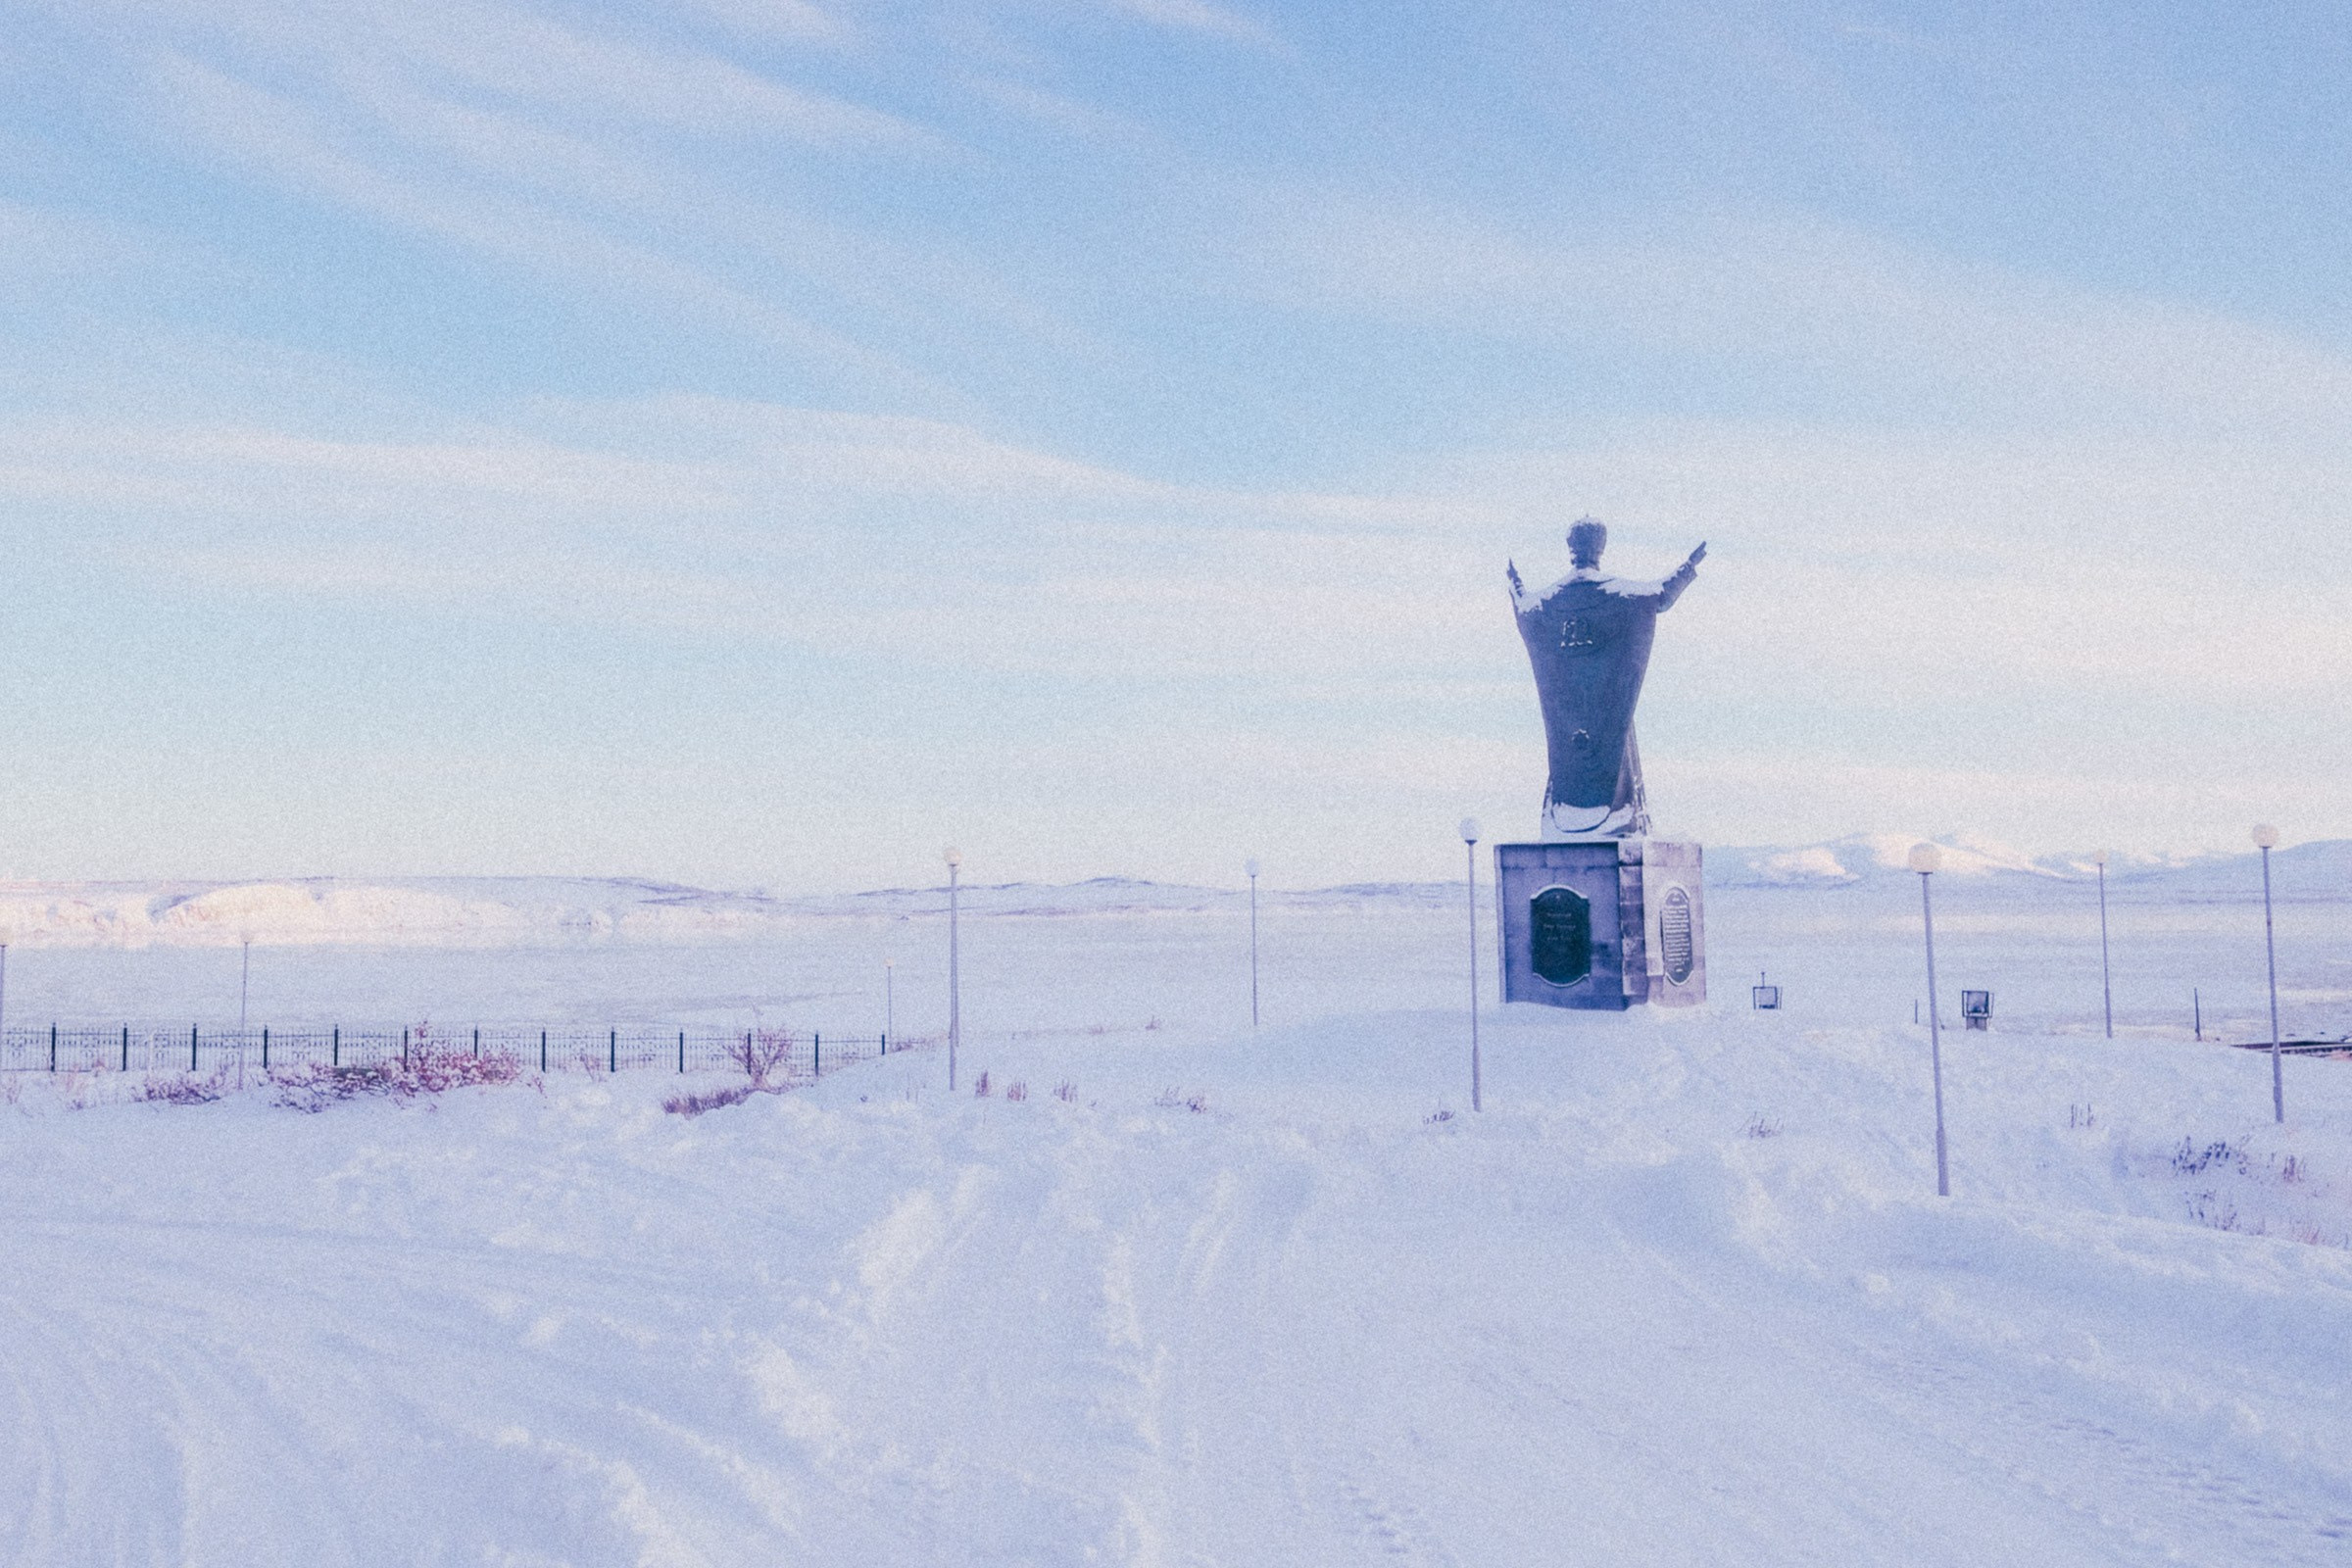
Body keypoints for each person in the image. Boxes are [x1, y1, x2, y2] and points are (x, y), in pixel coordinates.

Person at [1508, 519, 1704, 838]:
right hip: (1607, 711)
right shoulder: (1616, 594)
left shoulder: (1552, 599)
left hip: (1569, 714)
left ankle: (1567, 825)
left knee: (1569, 760)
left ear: (1571, 550)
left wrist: (1515, 588)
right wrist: (1688, 567)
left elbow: (1525, 609)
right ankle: (1622, 818)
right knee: (1617, 748)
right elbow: (1659, 595)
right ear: (1600, 549)